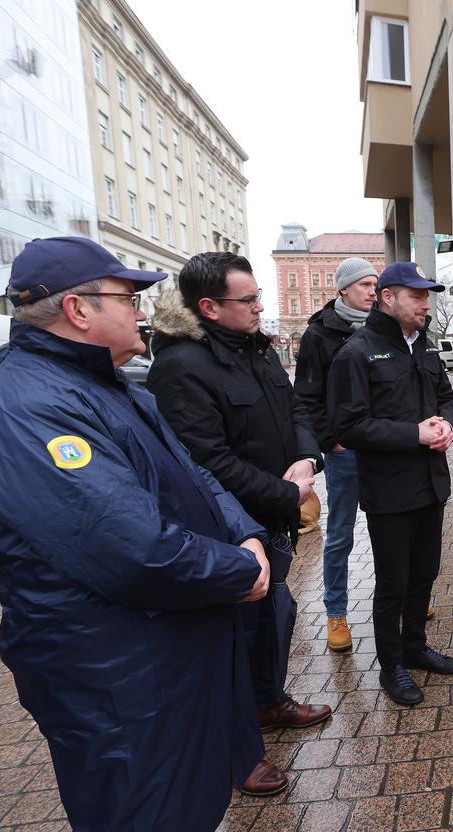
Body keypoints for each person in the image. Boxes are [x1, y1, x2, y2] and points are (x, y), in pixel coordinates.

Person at [0, 237, 272, 832]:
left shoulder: (110, 386)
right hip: (113, 672)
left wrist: (247, 535)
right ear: (78, 309)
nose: (143, 312)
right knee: (132, 828)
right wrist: (239, 570)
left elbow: (194, 474)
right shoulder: (22, 410)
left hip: (154, 655)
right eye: (128, 298)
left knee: (169, 816)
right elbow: (129, 548)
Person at [146, 252, 331, 796]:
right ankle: (236, 748)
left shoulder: (258, 349)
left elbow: (296, 409)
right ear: (209, 307)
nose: (259, 307)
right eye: (247, 300)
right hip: (227, 530)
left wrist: (307, 458)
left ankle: (269, 701)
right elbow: (205, 462)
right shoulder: (181, 367)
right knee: (231, 635)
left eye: (256, 297)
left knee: (276, 613)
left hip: (274, 518)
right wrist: (284, 492)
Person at [331, 261, 453, 706]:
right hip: (389, 492)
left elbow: (446, 396)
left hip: (431, 485)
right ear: (389, 298)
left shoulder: (423, 346)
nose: (426, 304)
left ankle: (415, 646)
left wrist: (446, 425)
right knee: (392, 583)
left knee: (424, 573)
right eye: (418, 296)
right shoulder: (357, 352)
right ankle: (392, 667)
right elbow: (349, 426)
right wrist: (414, 435)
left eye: (428, 296)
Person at [294, 257, 377, 653]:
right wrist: (332, 441)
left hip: (383, 449)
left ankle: (403, 598)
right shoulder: (318, 334)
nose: (372, 292)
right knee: (341, 535)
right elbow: (307, 397)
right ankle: (336, 612)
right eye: (364, 285)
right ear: (343, 288)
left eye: (375, 285)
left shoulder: (383, 329)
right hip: (346, 453)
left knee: (389, 530)